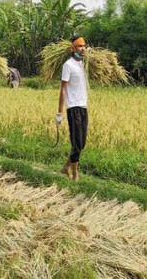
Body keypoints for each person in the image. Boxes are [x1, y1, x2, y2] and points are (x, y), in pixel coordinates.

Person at [56, 36, 88, 182]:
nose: (83, 49)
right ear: (73, 49)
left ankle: (65, 167)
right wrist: (60, 112)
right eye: (80, 46)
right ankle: (75, 174)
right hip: (73, 107)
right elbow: (63, 89)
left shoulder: (82, 64)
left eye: (84, 46)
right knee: (76, 143)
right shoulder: (68, 65)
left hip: (83, 107)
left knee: (82, 143)